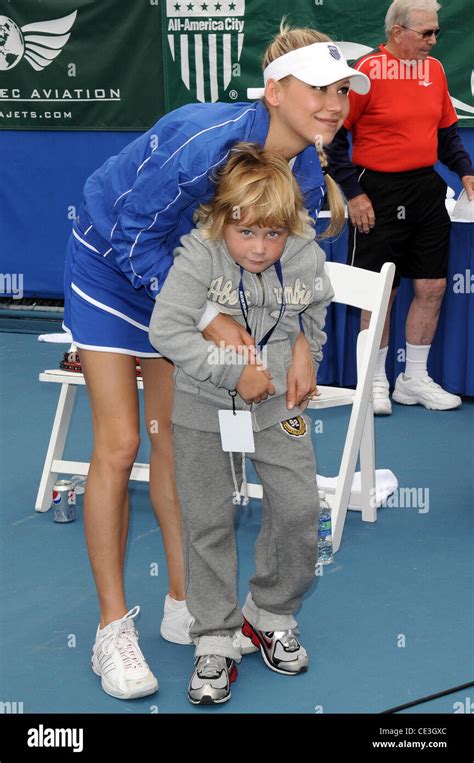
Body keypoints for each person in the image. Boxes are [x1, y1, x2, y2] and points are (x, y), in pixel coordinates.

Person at [63, 20, 368, 700]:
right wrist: (212, 318)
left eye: (341, 92)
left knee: (176, 440)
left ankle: (186, 601)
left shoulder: (310, 170)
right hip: (112, 267)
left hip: (189, 283)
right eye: (318, 88)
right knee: (117, 444)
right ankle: (111, 627)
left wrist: (292, 346)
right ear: (275, 91)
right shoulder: (203, 139)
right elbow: (129, 236)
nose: (333, 104)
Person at [149, 143, 335, 705]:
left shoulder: (303, 253)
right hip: (205, 406)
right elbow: (168, 331)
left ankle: (270, 611)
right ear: (221, 220)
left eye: (273, 234)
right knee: (208, 520)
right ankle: (215, 636)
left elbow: (315, 308)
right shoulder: (199, 254)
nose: (259, 248)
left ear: (290, 229)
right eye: (246, 233)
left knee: (301, 506)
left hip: (281, 404)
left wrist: (307, 349)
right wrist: (232, 373)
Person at [327, 0, 474, 415]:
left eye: (436, 33)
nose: (434, 41)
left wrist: (465, 171)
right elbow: (336, 141)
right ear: (397, 33)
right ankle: (374, 380)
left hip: (426, 188)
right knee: (380, 291)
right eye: (426, 33)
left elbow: (447, 133)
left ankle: (413, 379)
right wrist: (354, 193)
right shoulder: (365, 76)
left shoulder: (437, 71)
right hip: (377, 190)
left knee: (432, 286)